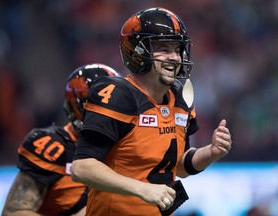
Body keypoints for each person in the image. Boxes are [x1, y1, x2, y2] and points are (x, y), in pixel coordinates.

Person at [71, 7, 232, 216]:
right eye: (164, 49)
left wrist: (210, 153)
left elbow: (178, 166)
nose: (174, 57)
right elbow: (82, 167)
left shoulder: (181, 98)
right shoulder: (118, 95)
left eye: (177, 49)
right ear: (137, 52)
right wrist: (142, 189)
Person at [2, 63, 120, 216]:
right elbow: (13, 213)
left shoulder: (129, 143)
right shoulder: (53, 148)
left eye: (116, 105)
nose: (108, 114)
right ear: (78, 106)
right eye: (100, 106)